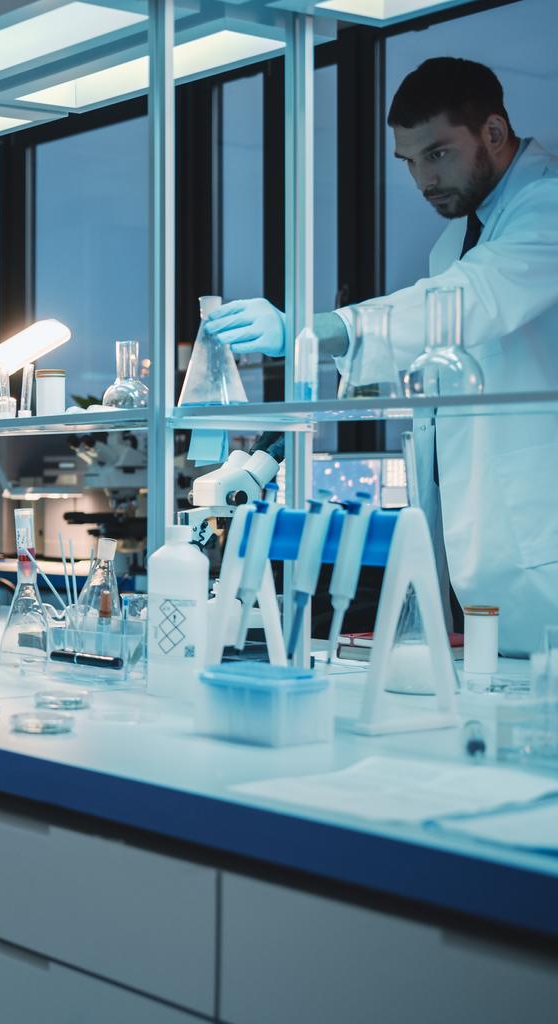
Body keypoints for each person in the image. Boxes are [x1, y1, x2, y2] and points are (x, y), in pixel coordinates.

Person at [205, 57, 558, 654]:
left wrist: (311, 330)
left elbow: (469, 300)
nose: (423, 179)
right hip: (479, 542)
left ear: (494, 132)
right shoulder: (456, 241)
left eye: (437, 153)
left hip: (539, 538)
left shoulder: (547, 206)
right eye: (409, 161)